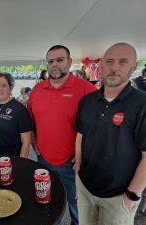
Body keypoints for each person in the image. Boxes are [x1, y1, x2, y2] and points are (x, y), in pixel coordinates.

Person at [74, 43, 146, 225]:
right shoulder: (87, 101)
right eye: (109, 62)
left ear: (133, 67)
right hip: (85, 185)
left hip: (119, 194)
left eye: (122, 62)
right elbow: (81, 134)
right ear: (102, 65)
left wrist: (132, 194)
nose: (114, 67)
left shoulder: (141, 104)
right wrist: (78, 164)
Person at [27, 45, 97, 225]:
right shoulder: (36, 90)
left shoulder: (87, 90)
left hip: (72, 164)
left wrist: (84, 154)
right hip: (43, 160)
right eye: (50, 61)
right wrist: (37, 149)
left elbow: (99, 128)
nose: (54, 65)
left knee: (77, 207)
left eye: (59, 60)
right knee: (47, 203)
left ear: (69, 62)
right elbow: (31, 123)